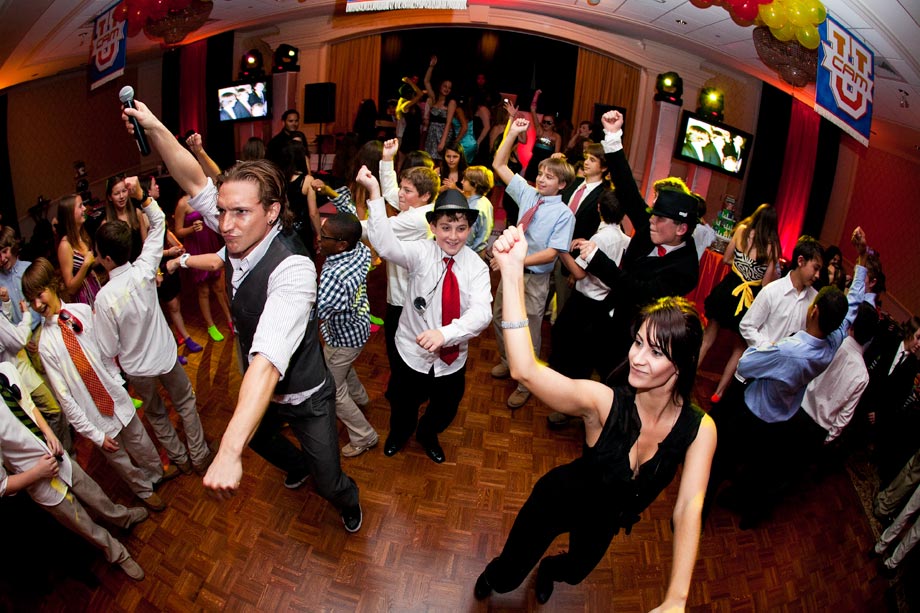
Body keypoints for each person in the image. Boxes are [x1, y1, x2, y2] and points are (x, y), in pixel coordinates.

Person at [122, 98, 363, 532]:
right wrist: (154, 125)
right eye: (222, 211)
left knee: (328, 480)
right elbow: (191, 175)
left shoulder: (293, 268)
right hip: (262, 390)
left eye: (240, 213)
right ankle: (297, 465)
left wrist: (228, 449)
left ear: (271, 213)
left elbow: (268, 361)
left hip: (305, 394)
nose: (226, 224)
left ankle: (347, 499)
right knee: (264, 440)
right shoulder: (240, 231)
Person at [475, 225, 716, 606]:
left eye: (656, 352)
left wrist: (676, 598)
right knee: (507, 578)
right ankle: (494, 574)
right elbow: (526, 370)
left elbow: (689, 507)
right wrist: (511, 269)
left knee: (573, 571)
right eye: (638, 342)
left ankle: (550, 571)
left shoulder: (700, 429)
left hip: (603, 522)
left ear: (682, 366)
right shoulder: (604, 401)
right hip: (559, 498)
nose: (636, 358)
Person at [705, 227, 869, 527]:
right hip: (785, 411)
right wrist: (861, 259)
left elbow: (747, 366)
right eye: (816, 267)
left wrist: (771, 350)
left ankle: (709, 507)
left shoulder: (791, 350)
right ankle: (729, 500)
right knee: (746, 464)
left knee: (728, 459)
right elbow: (853, 305)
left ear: (815, 311)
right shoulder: (833, 340)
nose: (818, 275)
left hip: (758, 410)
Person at [23, 258, 174, 511]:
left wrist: (117, 381)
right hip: (95, 416)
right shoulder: (46, 345)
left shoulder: (81, 311)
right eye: (31, 300)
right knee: (121, 460)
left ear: (53, 285)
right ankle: (144, 491)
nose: (37, 305)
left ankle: (156, 474)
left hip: (115, 396)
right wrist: (94, 434)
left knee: (140, 439)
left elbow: (105, 351)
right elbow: (65, 398)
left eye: (40, 295)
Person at [362, 169, 491, 464]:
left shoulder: (476, 268)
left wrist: (445, 334)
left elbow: (482, 313)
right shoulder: (420, 253)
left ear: (470, 228)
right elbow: (384, 244)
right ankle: (400, 434)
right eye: (446, 227)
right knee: (403, 403)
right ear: (432, 226)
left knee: (446, 407)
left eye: (461, 228)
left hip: (452, 358)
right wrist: (373, 193)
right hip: (412, 352)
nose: (453, 236)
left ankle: (428, 434)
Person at [92, 179, 213, 476]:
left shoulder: (104, 298)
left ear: (107, 259)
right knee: (185, 402)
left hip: (138, 369)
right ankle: (199, 457)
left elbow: (107, 349)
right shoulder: (145, 268)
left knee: (157, 414)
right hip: (165, 356)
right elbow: (158, 220)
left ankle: (181, 460)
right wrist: (142, 196)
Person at [0, 362, 148, 581]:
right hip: (41, 483)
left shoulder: (6, 369)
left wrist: (49, 433)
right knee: (84, 524)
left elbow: (28, 405)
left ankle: (122, 517)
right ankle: (117, 553)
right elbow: (2, 485)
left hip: (60, 458)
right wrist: (38, 472)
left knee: (96, 495)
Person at [489, 117, 575, 410]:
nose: (541, 179)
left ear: (562, 184)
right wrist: (512, 133)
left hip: (534, 278)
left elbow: (552, 253)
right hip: (512, 272)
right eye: (540, 173)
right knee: (499, 316)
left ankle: (527, 382)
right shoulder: (528, 193)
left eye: (549, 177)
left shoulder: (564, 214)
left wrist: (515, 261)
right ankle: (507, 360)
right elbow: (499, 165)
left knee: (528, 329)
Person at [700, 203, 781, 402]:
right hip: (749, 298)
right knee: (739, 348)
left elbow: (726, 259)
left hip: (729, 288)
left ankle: (688, 374)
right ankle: (718, 393)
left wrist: (740, 266)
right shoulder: (772, 248)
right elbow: (765, 283)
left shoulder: (742, 232)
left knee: (708, 336)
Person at [549, 188, 630, 382]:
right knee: (585, 353)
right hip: (602, 304)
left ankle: (562, 396)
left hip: (584, 303)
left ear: (599, 208)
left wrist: (561, 250)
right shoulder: (625, 239)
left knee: (567, 349)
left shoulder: (599, 237)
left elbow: (578, 272)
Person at [316, 210, 377, 458]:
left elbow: (318, 310)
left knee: (332, 389)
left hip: (341, 338)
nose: (319, 240)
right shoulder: (360, 250)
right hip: (359, 329)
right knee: (343, 367)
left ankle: (365, 435)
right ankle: (361, 398)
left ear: (341, 245)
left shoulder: (333, 276)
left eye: (324, 237)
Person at [738, 235, 823, 350]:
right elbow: (747, 325)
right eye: (815, 268)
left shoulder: (815, 299)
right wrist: (767, 347)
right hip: (763, 363)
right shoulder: (772, 291)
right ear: (800, 261)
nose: (818, 275)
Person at [174, 189, 233, 343]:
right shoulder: (182, 204)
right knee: (204, 290)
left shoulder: (205, 195)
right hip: (195, 247)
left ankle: (230, 319)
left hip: (210, 243)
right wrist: (191, 229)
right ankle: (211, 325)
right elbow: (178, 231)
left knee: (219, 287)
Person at [54, 194, 101, 308]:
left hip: (94, 285)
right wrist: (85, 264)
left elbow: (92, 262)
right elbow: (70, 288)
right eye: (80, 206)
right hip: (83, 297)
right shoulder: (65, 246)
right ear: (70, 214)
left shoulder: (83, 235)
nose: (84, 208)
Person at [103, 174, 148, 263]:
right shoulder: (106, 223)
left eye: (124, 191)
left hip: (141, 265)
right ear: (110, 197)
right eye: (116, 193)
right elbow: (107, 259)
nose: (121, 196)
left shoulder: (137, 213)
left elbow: (146, 245)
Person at [423, 55, 458, 161]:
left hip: (443, 134)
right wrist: (431, 67)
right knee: (429, 159)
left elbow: (448, 123)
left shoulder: (451, 102)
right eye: (445, 86)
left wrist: (443, 141)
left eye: (449, 88)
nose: (447, 89)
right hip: (431, 133)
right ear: (440, 86)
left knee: (442, 160)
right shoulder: (434, 99)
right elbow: (426, 82)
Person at [461, 165, 494, 257]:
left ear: (474, 184)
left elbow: (468, 238)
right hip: (480, 250)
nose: (462, 182)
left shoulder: (473, 208)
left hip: (470, 254)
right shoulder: (486, 201)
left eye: (465, 179)